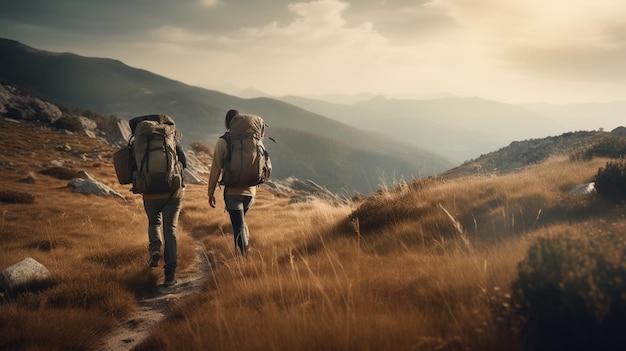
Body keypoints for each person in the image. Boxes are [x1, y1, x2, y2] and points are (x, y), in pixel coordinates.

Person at [207, 109, 256, 257]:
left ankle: (244, 259)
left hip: (233, 193)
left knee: (238, 226)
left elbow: (215, 168)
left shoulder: (223, 141)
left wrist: (211, 192)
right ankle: (246, 252)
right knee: (241, 222)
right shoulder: (252, 139)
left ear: (227, 123)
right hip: (250, 192)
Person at [144, 137, 187, 287]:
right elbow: (185, 162)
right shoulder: (171, 139)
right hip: (172, 192)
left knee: (154, 222)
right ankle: (170, 275)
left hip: (149, 192)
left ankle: (155, 248)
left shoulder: (143, 140)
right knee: (170, 230)